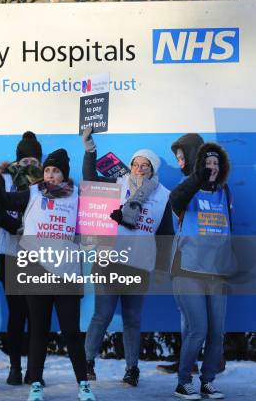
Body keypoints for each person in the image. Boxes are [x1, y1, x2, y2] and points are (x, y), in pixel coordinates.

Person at [0, 149, 96, 401]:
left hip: (66, 273)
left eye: (56, 171)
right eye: (47, 170)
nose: (50, 175)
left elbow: (96, 216)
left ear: (64, 174)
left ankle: (83, 385)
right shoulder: (33, 192)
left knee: (71, 333)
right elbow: (4, 201)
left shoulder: (77, 195)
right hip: (36, 270)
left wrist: (90, 152)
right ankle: (35, 384)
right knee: (38, 331)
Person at [81, 127, 174, 387]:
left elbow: (165, 234)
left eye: (146, 165)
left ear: (153, 169)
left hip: (139, 265)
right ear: (130, 166)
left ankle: (132, 369)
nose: (140, 168)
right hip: (109, 261)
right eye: (136, 164)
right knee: (102, 316)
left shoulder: (163, 196)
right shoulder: (116, 184)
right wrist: (90, 149)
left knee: (133, 320)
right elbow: (89, 179)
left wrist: (162, 269)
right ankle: (87, 363)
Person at [169, 142, 233, 400]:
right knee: (198, 329)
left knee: (217, 332)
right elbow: (175, 199)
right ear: (199, 167)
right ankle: (183, 382)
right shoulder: (188, 191)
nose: (212, 168)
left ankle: (208, 381)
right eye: (208, 163)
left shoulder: (225, 192)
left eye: (216, 163)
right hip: (188, 270)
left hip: (216, 273)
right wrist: (198, 177)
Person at [0, 131, 43, 385]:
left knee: (37, 316)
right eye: (25, 161)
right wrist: (14, 226)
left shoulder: (48, 181)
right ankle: (14, 368)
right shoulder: (4, 178)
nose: (30, 165)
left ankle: (34, 371)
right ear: (17, 161)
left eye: (34, 161)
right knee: (16, 315)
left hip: (39, 257)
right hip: (11, 253)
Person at [157, 133, 204, 375]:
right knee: (187, 313)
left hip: (203, 262)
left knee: (202, 315)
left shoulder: (213, 187)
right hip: (182, 260)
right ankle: (190, 360)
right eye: (176, 158)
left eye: (182, 156)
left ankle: (209, 359)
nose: (179, 162)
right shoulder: (181, 187)